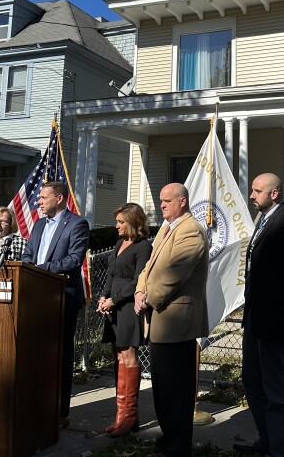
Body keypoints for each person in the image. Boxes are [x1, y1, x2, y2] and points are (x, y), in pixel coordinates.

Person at [234, 173, 284, 457]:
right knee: (252, 381)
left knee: (279, 391)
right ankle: (268, 441)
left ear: (274, 194)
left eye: (257, 191)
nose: (252, 195)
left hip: (277, 322)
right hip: (256, 319)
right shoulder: (263, 221)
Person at [134, 183, 208, 457]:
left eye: (167, 200)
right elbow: (148, 268)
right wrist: (140, 289)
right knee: (163, 388)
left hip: (177, 321)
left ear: (183, 202)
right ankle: (168, 440)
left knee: (176, 390)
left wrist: (148, 298)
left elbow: (175, 274)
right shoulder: (166, 229)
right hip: (159, 320)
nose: (162, 204)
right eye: (161, 200)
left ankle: (177, 447)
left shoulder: (190, 230)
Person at [21, 181, 89, 429]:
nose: (38, 201)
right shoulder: (38, 224)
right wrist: (31, 270)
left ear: (59, 199)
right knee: (35, 353)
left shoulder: (77, 224)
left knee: (60, 354)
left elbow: (73, 259)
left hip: (63, 297)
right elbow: (27, 255)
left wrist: (40, 270)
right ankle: (37, 405)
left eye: (43, 197)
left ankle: (60, 411)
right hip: (35, 296)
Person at [97, 202, 152, 438]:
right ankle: (121, 416)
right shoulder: (120, 243)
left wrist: (115, 299)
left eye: (121, 222)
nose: (117, 226)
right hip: (112, 305)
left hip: (128, 306)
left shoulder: (143, 247)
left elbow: (139, 279)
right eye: (117, 222)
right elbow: (111, 273)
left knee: (128, 354)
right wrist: (103, 297)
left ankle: (129, 415)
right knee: (117, 354)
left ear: (133, 222)